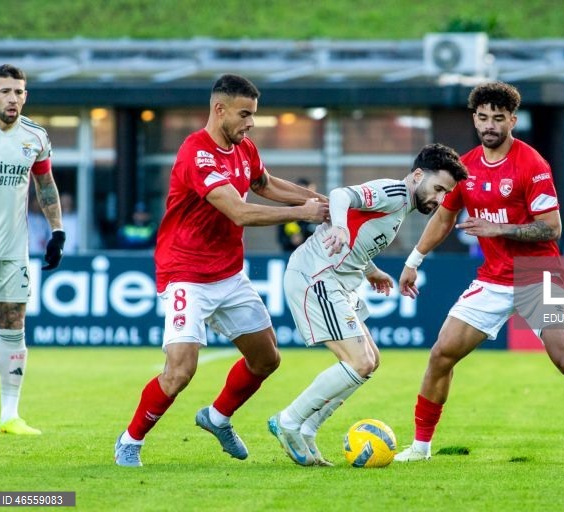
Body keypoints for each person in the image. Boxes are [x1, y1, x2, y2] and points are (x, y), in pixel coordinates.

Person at [393, 81, 564, 465]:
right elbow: (445, 217)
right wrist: (413, 262)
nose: (489, 125)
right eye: (482, 118)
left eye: (498, 119)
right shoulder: (465, 168)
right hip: (492, 279)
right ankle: (420, 447)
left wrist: (500, 229)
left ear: (512, 120)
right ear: (474, 118)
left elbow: (552, 228)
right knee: (441, 355)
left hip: (538, 276)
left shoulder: (532, 164)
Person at [113, 74, 329, 467]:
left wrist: (321, 200)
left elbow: (262, 183)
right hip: (185, 273)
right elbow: (239, 210)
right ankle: (130, 441)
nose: (250, 123)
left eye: (254, 115)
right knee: (180, 371)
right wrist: (303, 213)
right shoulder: (197, 153)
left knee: (266, 359)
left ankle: (217, 417)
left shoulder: (243, 147)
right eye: (245, 114)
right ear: (219, 109)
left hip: (228, 273)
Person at [268, 143, 468, 466]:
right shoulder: (393, 192)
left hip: (338, 281)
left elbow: (360, 239)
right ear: (418, 176)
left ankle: (307, 428)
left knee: (371, 361)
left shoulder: (402, 208)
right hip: (316, 276)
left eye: (447, 193)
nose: (441, 199)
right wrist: (341, 226)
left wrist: (372, 270)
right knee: (359, 362)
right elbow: (340, 196)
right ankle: (289, 421)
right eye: (439, 188)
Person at [0, 64, 65, 435]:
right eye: (6, 91)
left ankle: (9, 415)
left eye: (19, 92)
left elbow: (45, 185)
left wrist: (57, 231)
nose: (13, 98)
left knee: (13, 324)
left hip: (12, 249)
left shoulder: (35, 137)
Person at [277, 178, 320, 252]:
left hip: (313, 255)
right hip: (290, 254)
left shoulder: (319, 212)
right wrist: (291, 240)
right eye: (299, 191)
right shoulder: (287, 212)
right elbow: (280, 238)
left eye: (306, 192)